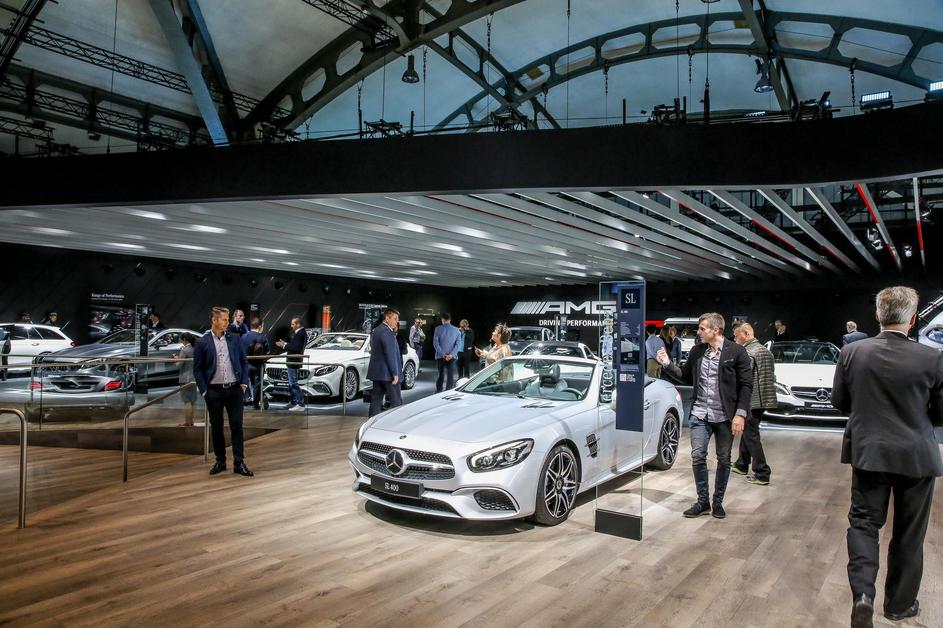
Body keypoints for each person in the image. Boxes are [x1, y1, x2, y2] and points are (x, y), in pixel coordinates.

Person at [832, 287, 943, 627]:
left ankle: (863, 596)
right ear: (913, 319)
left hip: (869, 452)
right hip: (917, 456)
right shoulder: (933, 358)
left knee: (864, 525)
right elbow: (940, 414)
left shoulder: (852, 353)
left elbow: (840, 402)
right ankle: (899, 605)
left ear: (878, 315)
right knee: (909, 534)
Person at [656, 313, 752, 520]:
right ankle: (703, 502)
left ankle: (717, 502)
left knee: (724, 459)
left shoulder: (737, 351)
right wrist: (667, 364)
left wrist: (740, 414)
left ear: (715, 330)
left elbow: (746, 385)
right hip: (700, 414)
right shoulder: (697, 351)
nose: (698, 332)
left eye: (702, 329)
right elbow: (684, 377)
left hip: (725, 416)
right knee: (698, 456)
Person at [192, 307, 253, 477]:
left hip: (235, 390)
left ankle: (239, 462)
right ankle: (220, 461)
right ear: (214, 320)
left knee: (237, 427)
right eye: (225, 319)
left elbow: (243, 361)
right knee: (217, 428)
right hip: (214, 392)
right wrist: (205, 391)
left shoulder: (234, 338)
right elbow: (197, 369)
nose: (228, 322)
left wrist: (244, 384)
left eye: (227, 319)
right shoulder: (202, 342)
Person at [731, 323, 775, 485]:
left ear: (746, 334)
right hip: (764, 399)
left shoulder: (747, 353)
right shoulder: (765, 351)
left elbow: (744, 379)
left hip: (751, 400)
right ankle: (742, 464)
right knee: (749, 433)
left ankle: (762, 472)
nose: (735, 339)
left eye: (736, 336)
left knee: (751, 435)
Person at [367, 308, 403, 417]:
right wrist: (395, 374)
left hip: (377, 374)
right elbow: (390, 354)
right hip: (388, 375)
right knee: (397, 403)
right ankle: (396, 425)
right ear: (387, 318)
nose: (397, 321)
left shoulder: (376, 330)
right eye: (395, 319)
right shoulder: (387, 332)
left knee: (376, 401)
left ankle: (371, 423)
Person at [275, 317, 306, 412]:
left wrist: (283, 345)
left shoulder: (300, 334)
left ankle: (300, 404)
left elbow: (296, 348)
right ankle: (294, 401)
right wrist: (285, 343)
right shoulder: (299, 333)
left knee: (293, 383)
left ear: (298, 324)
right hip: (292, 361)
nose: (291, 326)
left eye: (293, 324)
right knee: (291, 383)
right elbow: (294, 346)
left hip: (294, 361)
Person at [241, 319, 269, 408]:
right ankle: (256, 404)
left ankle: (243, 400)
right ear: (260, 326)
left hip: (245, 365)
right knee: (257, 384)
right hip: (258, 365)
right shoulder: (262, 337)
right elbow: (267, 351)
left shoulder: (243, 336)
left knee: (244, 383)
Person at [433, 312, 462, 392]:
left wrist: (443, 355)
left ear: (442, 319)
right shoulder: (457, 330)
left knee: (440, 375)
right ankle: (448, 392)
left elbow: (436, 344)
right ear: (450, 319)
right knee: (450, 375)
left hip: (440, 357)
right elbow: (458, 345)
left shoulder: (438, 329)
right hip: (452, 357)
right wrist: (451, 355)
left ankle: (438, 391)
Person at [175, 333, 197, 427]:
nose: (179, 340)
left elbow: (179, 365)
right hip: (194, 377)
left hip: (185, 378)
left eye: (180, 339)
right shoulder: (195, 349)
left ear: (184, 339)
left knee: (187, 401)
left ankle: (188, 423)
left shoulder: (184, 350)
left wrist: (175, 359)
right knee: (192, 401)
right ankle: (191, 422)